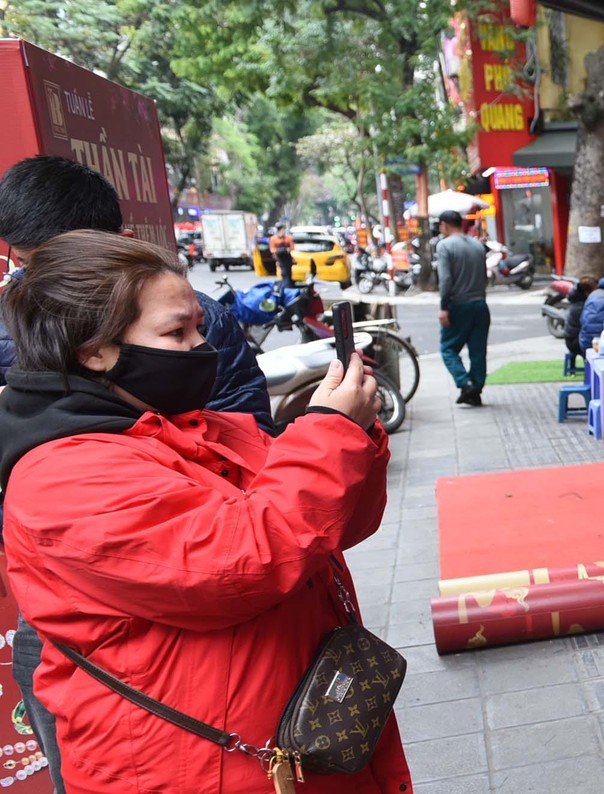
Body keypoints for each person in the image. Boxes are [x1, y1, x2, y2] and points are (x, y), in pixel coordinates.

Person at [0, 230, 411, 792]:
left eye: (198, 325)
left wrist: (353, 432)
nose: (201, 345)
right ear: (93, 350)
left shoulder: (206, 427)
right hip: (191, 767)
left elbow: (332, 527)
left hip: (289, 739)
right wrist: (329, 434)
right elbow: (241, 564)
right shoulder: (62, 477)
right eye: (177, 331)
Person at [0, 155, 273, 793]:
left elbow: (258, 489)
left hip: (198, 609)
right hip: (72, 620)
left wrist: (332, 437)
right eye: (26, 264)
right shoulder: (57, 476)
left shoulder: (192, 325)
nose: (48, 286)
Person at [436, 209, 489, 406]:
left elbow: (445, 279)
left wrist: (444, 306)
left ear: (445, 225)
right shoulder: (477, 245)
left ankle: (465, 383)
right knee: (478, 351)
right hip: (480, 304)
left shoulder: (444, 246)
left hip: (458, 304)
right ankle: (475, 389)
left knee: (448, 348)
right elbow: (484, 276)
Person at [564, 276, 598, 359]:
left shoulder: (583, 303)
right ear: (587, 292)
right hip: (574, 340)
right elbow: (590, 324)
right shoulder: (580, 306)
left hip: (577, 337)